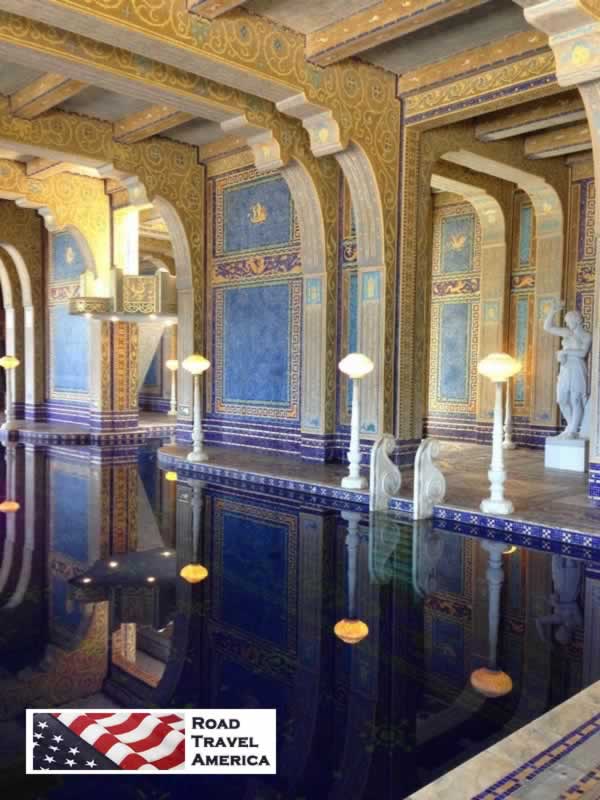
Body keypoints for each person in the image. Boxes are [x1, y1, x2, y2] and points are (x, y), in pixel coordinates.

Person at [543, 299, 592, 439]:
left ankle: (573, 429)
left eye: (568, 321)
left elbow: (583, 353)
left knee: (576, 398)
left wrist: (565, 352)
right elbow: (547, 327)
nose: (567, 324)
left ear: (576, 321)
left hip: (577, 367)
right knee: (562, 399)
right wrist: (553, 311)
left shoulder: (586, 336)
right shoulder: (566, 332)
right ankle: (571, 426)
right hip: (565, 368)